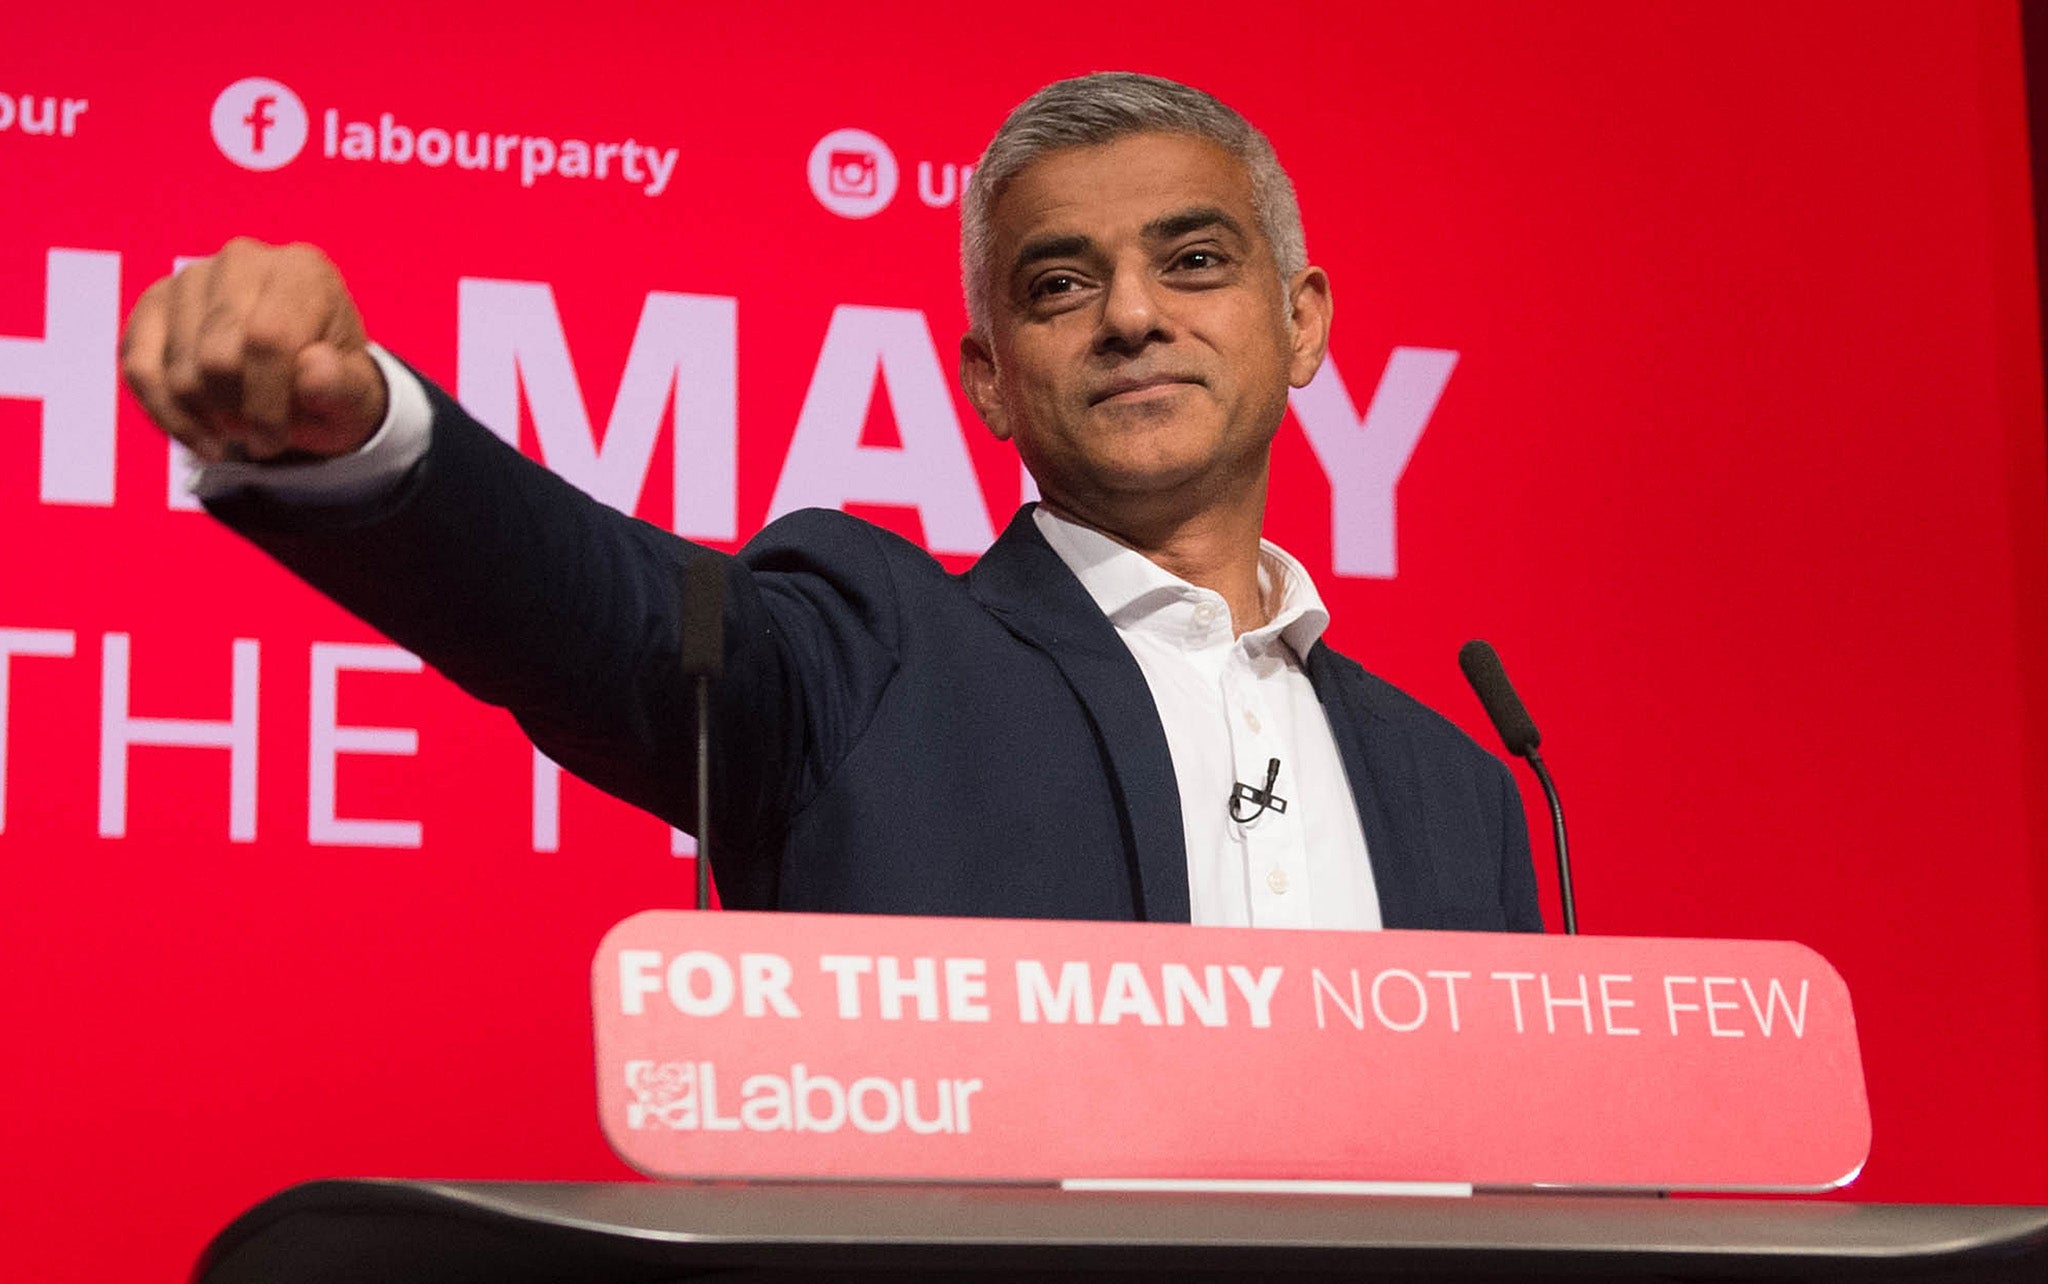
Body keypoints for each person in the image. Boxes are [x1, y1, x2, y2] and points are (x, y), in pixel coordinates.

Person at [119, 72, 1540, 931]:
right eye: (1057, 284)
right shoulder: (864, 658)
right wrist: (363, 428)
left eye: (1193, 263)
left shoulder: (1467, 793)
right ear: (990, 378)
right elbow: (593, 609)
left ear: (1301, 325)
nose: (1127, 316)